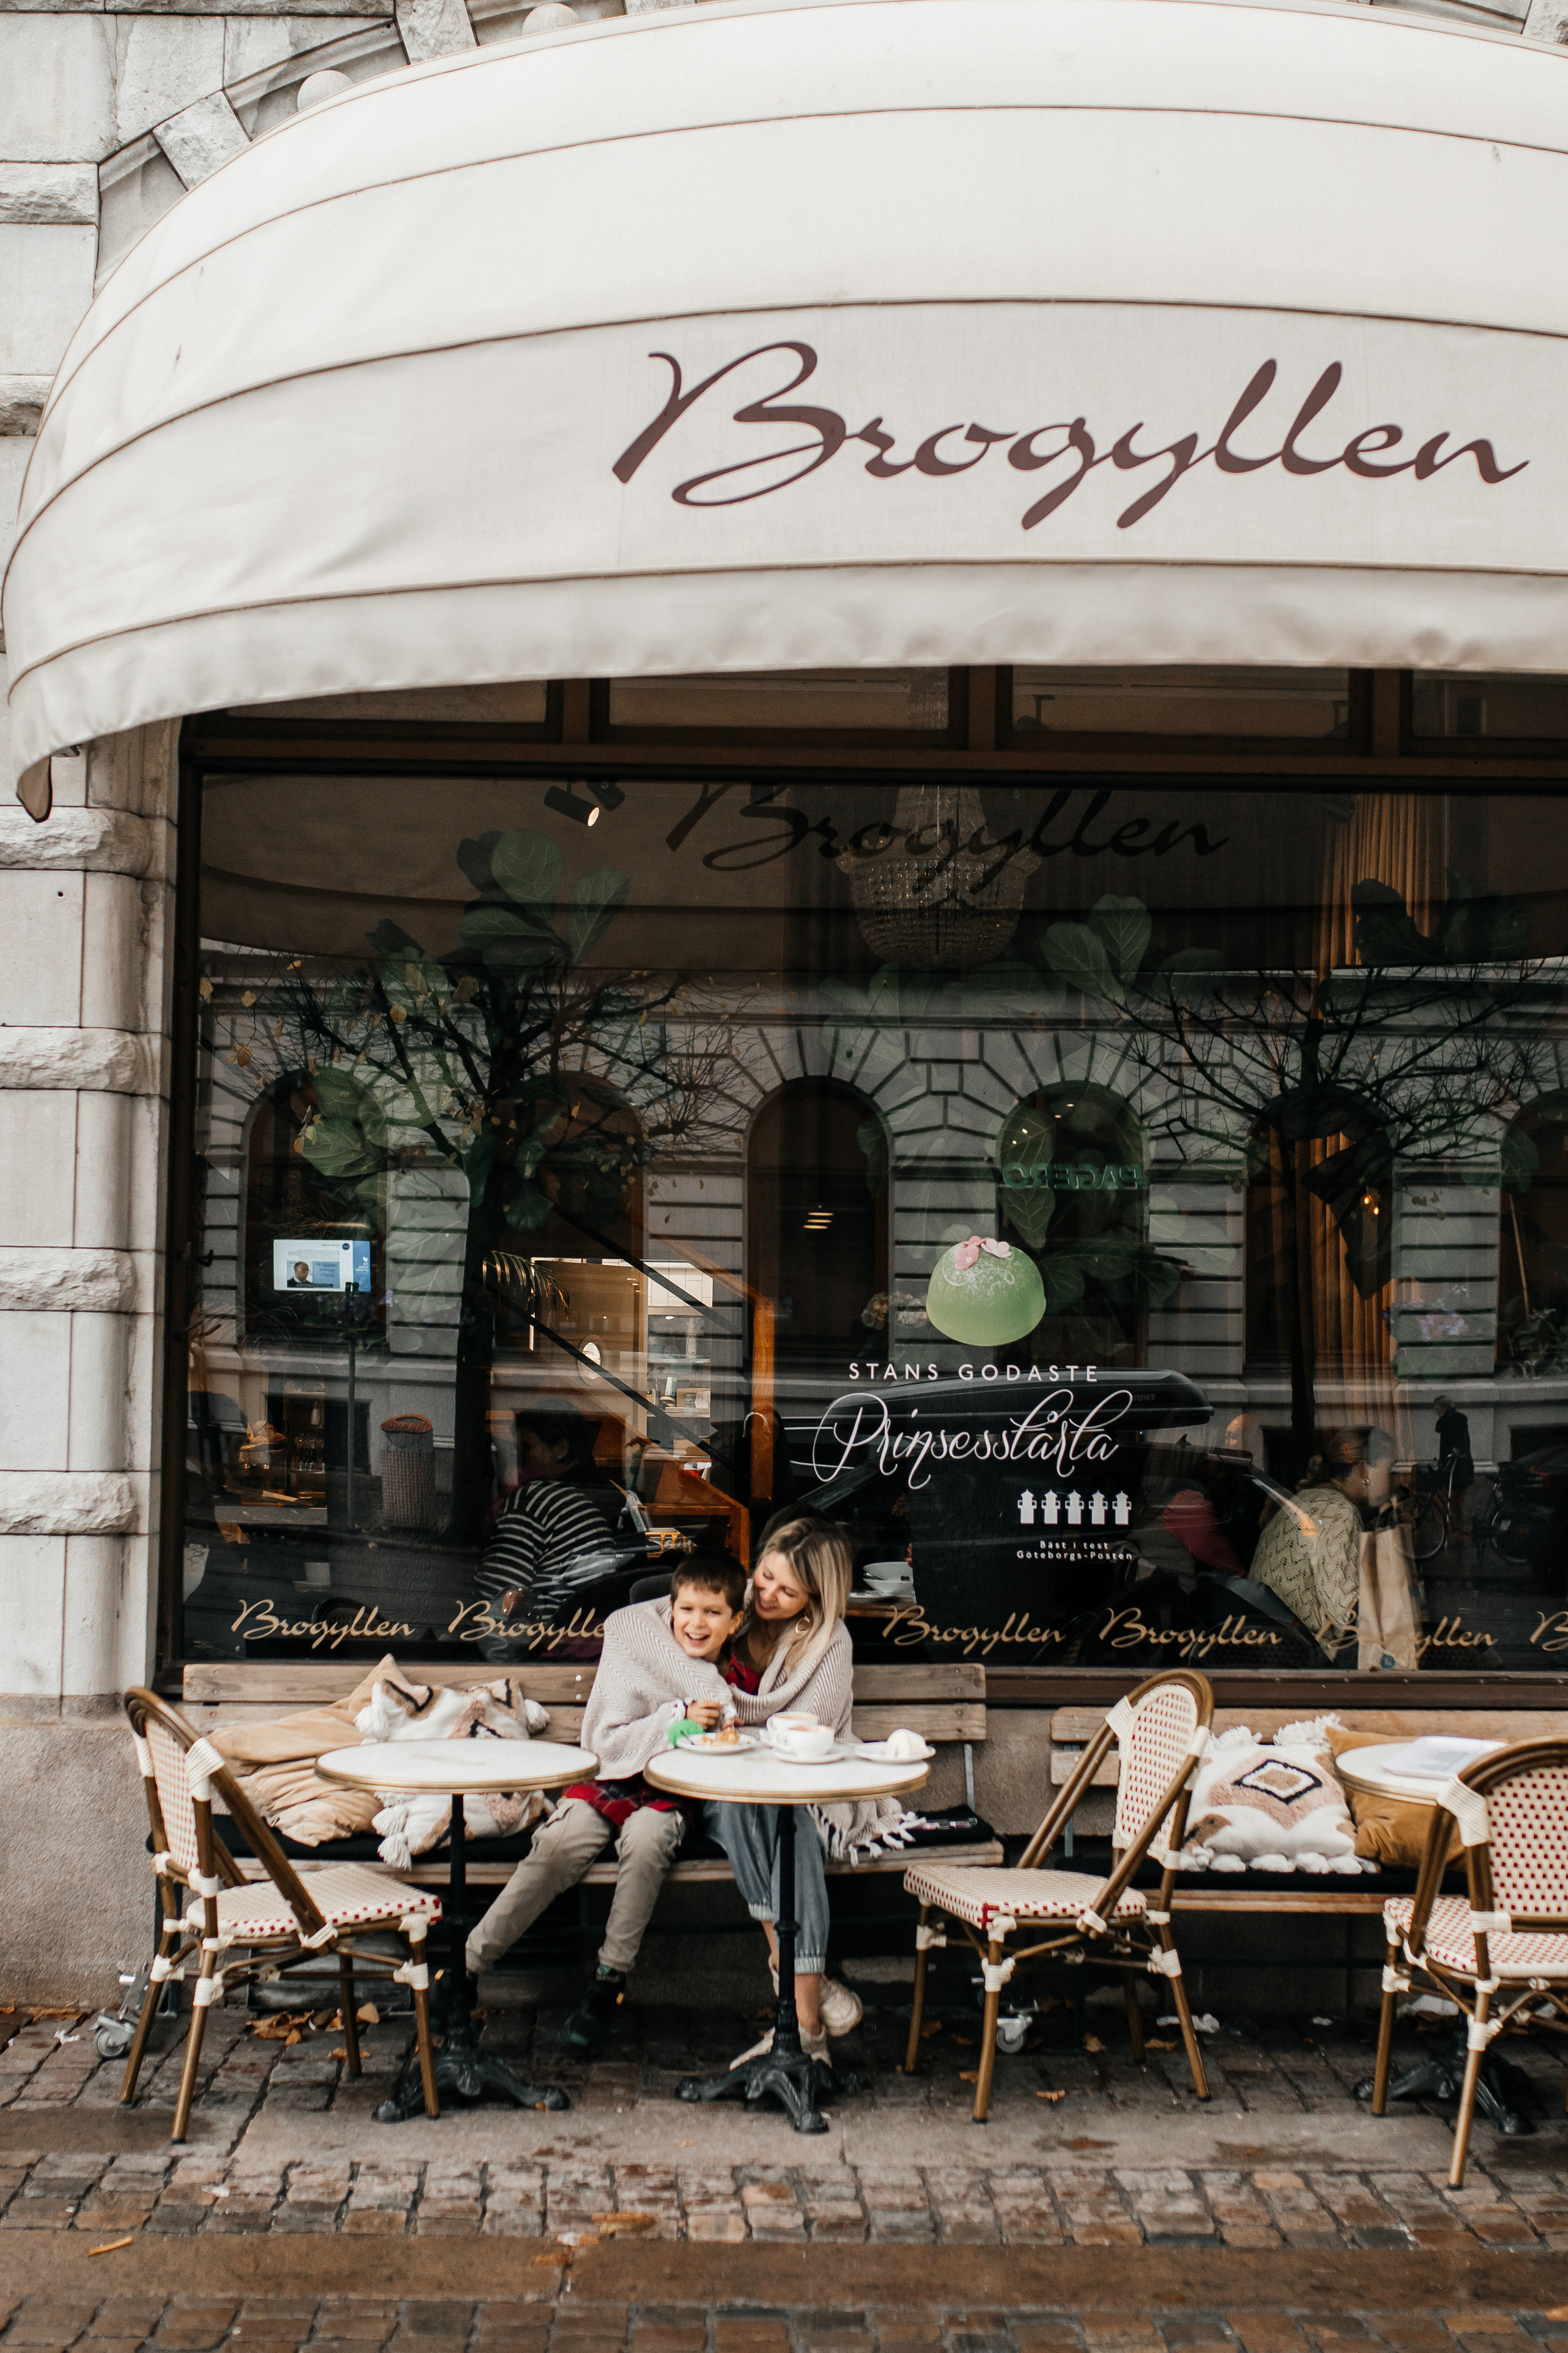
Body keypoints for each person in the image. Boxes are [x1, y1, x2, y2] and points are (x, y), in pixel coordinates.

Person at [461, 1555, 748, 2050]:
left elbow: (736, 1730)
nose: (697, 1623)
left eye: (713, 1613)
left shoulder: (729, 1671)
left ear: (735, 1620)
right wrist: (675, 1715)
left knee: (648, 1840)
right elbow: (606, 1738)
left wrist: (720, 1723)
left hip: (673, 1792)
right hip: (611, 1775)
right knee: (558, 1845)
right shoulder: (636, 1637)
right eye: (687, 1609)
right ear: (670, 1608)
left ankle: (609, 1979)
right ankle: (465, 1969)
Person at [707, 1513, 910, 2068]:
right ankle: (810, 1993)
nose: (766, 1593)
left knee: (792, 1825)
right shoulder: (725, 1606)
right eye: (764, 1576)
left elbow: (807, 1730)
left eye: (787, 1590)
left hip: (804, 1787)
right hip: (717, 1784)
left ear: (816, 1597)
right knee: (734, 1804)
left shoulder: (828, 1640)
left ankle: (801, 2028)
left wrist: (730, 1725)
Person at [473, 1397, 621, 1657]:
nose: (519, 1458)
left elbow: (500, 1597)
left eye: (527, 1447)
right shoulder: (610, 1495)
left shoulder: (534, 1500)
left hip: (544, 1647)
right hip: (591, 1641)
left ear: (561, 1448)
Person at [1249, 1431, 1371, 1654]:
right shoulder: (1339, 1510)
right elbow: (1346, 1612)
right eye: (1388, 1468)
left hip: (1269, 1646)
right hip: (1307, 1654)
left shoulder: (1304, 1500)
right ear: (1364, 1469)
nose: (1390, 1477)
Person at [1433, 1394, 1474, 1545]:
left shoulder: (1448, 1421)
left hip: (1454, 1470)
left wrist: (1444, 1464)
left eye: (1437, 1408)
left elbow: (1450, 1448)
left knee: (1450, 1502)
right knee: (1456, 1503)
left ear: (1442, 1408)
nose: (1436, 1411)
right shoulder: (1458, 1420)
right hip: (1462, 1468)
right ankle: (1457, 1532)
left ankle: (1454, 1533)